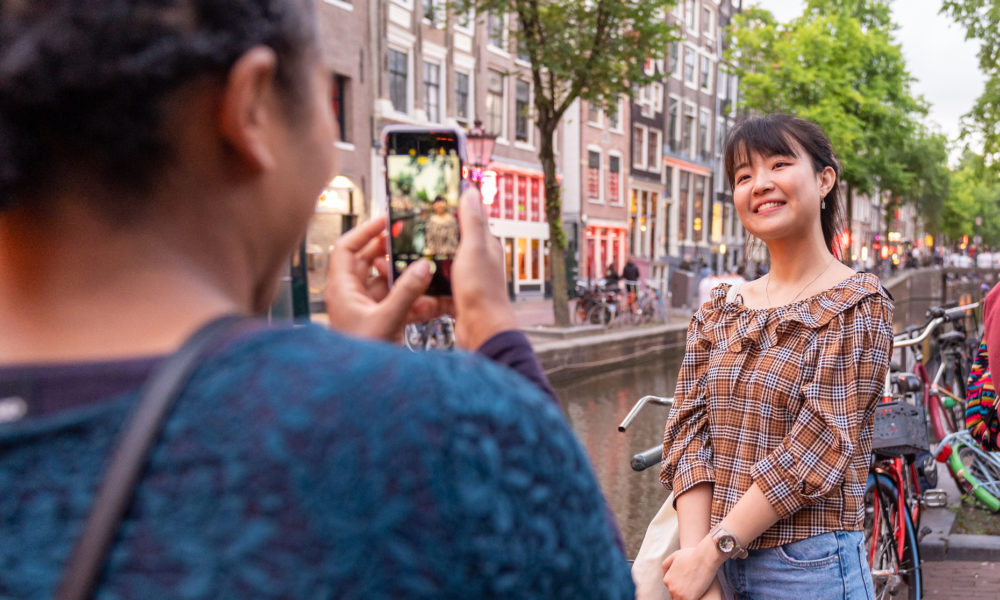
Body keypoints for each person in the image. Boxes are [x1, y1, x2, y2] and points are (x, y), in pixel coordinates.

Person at [0, 2, 634, 598]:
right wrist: (493, 330)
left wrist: (348, 363)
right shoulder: (453, 429)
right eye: (322, 96)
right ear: (251, 110)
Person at [659, 114, 894, 600]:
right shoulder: (720, 310)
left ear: (824, 179)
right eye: (744, 176)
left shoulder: (859, 304)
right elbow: (688, 431)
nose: (760, 184)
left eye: (780, 164)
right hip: (710, 564)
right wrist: (695, 565)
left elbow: (818, 445)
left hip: (808, 568)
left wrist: (711, 552)